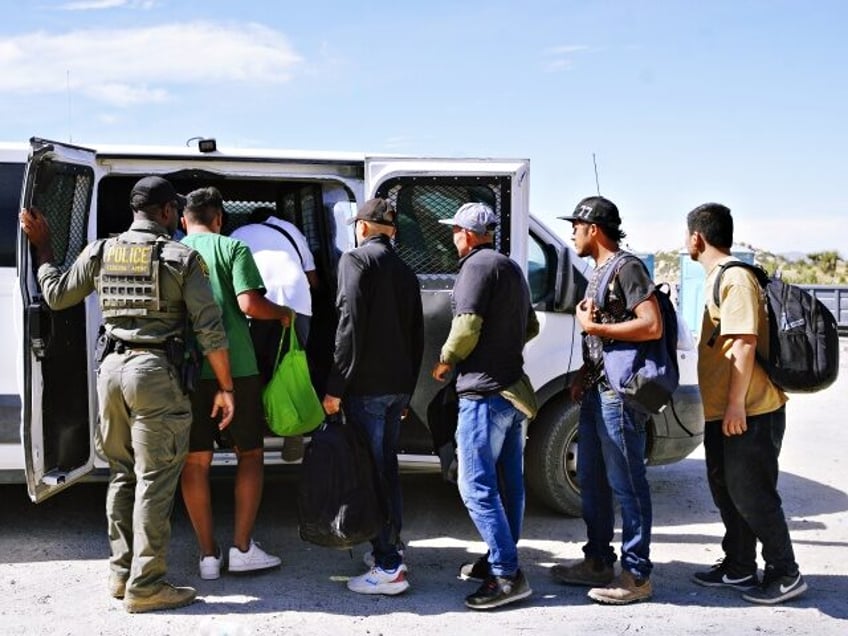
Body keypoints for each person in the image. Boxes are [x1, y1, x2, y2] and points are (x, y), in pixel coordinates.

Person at [19, 176, 235, 613]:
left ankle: (121, 574)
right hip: (154, 373)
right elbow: (211, 331)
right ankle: (147, 585)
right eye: (173, 210)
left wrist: (44, 250)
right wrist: (227, 388)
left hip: (110, 371)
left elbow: (58, 295)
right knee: (155, 481)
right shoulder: (180, 257)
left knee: (122, 474)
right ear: (166, 212)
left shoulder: (100, 250)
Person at [685, 202, 806, 604]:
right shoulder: (722, 277)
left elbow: (744, 343)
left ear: (696, 238)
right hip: (727, 411)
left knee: (753, 493)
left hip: (751, 410)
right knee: (727, 489)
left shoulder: (735, 278)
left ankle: (785, 573)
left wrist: (736, 405)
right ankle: (739, 566)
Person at [179, 187, 294, 581]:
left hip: (188, 371)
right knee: (249, 455)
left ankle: (207, 556)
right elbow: (249, 305)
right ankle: (242, 549)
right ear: (220, 219)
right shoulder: (233, 249)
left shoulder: (172, 251)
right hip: (238, 369)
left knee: (195, 462)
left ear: (183, 220)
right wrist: (283, 313)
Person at [550, 196, 659, 605]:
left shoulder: (627, 266)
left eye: (576, 226)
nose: (573, 234)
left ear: (593, 229)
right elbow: (603, 333)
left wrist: (593, 325)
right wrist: (584, 372)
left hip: (620, 393)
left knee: (627, 484)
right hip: (598, 388)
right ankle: (597, 560)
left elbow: (650, 324)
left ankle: (636, 575)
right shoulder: (597, 270)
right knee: (593, 481)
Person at [432, 202, 539, 611]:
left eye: (455, 231)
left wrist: (446, 359)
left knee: (475, 486)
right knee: (508, 485)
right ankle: (500, 557)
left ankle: (507, 575)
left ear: (467, 233)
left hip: (483, 395)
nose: (453, 237)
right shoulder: (511, 267)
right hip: (512, 391)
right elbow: (531, 326)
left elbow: (468, 325)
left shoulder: (475, 267)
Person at [322, 197, 423, 596]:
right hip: (398, 388)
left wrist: (334, 386)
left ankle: (388, 566)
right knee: (387, 471)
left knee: (373, 474)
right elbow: (418, 337)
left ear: (362, 227)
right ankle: (390, 549)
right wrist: (408, 391)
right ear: (391, 231)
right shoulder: (405, 270)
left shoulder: (355, 261)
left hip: (366, 388)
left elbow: (349, 324)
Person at [231, 207, 318, 461]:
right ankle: (295, 432)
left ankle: (254, 429)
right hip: (296, 303)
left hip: (256, 304)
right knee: (293, 365)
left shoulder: (238, 233)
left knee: (254, 366)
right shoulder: (290, 230)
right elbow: (312, 279)